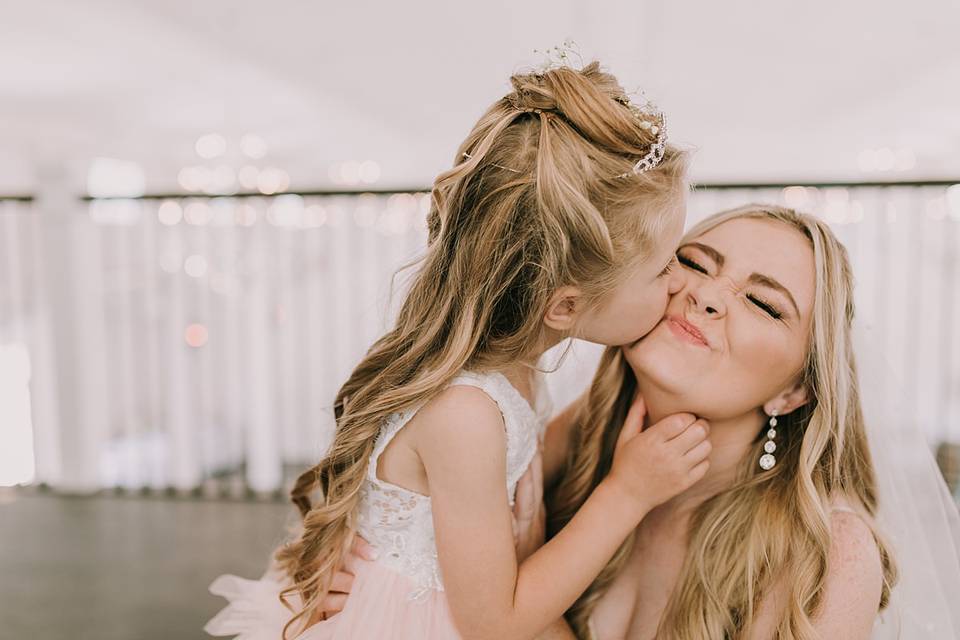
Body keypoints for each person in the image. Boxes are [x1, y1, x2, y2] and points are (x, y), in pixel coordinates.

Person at [205, 60, 713, 640]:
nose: (678, 279)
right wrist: (628, 492)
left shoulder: (509, 362)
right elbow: (494, 623)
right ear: (565, 306)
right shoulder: (466, 412)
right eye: (660, 268)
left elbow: (519, 462)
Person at [539, 204, 900, 638]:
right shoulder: (568, 443)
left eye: (763, 304)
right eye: (694, 263)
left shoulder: (828, 552)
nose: (707, 297)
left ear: (794, 393)